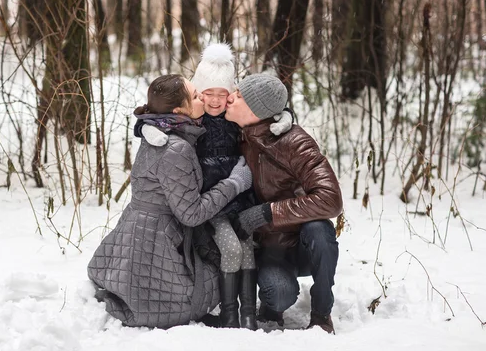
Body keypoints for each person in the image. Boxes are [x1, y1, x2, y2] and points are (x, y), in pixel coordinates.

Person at [137, 44, 294, 330]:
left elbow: (265, 111)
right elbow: (161, 117)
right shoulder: (193, 116)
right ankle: (229, 312)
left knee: (246, 247)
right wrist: (147, 129)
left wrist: (285, 117)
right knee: (231, 248)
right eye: (207, 93)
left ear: (231, 95)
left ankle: (247, 315)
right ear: (197, 93)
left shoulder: (235, 118)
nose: (214, 100)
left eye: (222, 94)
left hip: (239, 198)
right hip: (209, 202)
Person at [87, 74, 253, 329]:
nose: (202, 99)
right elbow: (192, 214)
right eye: (196, 96)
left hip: (139, 226)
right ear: (179, 110)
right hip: (158, 236)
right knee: (204, 290)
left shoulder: (159, 129)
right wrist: (234, 183)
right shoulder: (175, 147)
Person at [225, 73, 343, 334]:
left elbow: (331, 199)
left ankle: (322, 313)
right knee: (277, 295)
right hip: (269, 249)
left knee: (319, 230)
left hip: (303, 244)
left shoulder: (294, 142)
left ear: (258, 110)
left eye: (240, 96)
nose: (230, 98)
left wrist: (267, 213)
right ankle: (273, 302)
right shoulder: (237, 135)